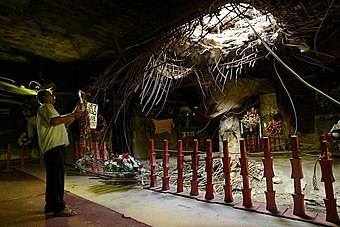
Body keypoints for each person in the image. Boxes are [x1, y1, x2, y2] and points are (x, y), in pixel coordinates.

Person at [36, 89, 82, 217]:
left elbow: (64, 123)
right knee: (57, 177)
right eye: (50, 94)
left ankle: (51, 206)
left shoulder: (49, 110)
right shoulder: (46, 107)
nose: (53, 96)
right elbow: (55, 121)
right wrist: (73, 114)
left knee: (53, 177)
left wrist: (74, 114)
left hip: (54, 147)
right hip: (54, 146)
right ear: (44, 97)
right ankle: (59, 207)